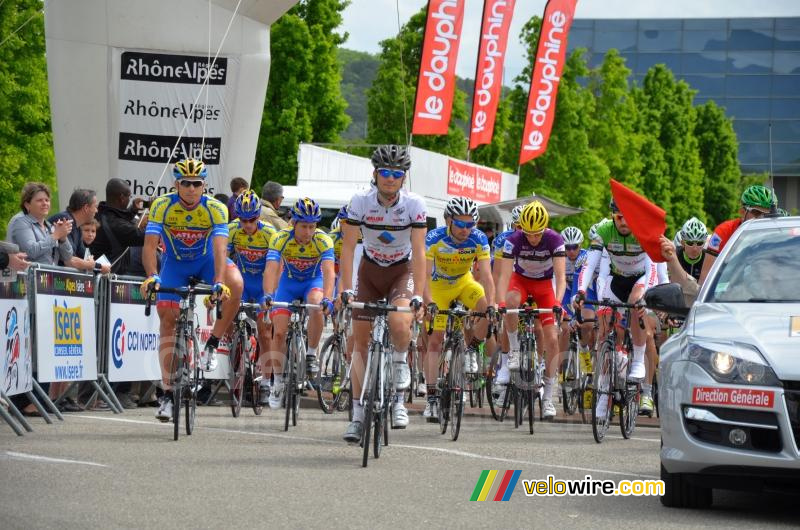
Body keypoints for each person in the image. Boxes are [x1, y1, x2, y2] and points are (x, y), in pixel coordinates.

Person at [139, 158, 243, 422]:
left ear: (204, 185)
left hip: (207, 261)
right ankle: (166, 394)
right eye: (186, 183)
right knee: (167, 319)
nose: (191, 189)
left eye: (197, 184)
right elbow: (150, 246)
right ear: (176, 184)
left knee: (236, 283)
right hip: (175, 263)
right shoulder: (162, 205)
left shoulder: (216, 208)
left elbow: (221, 248)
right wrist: (152, 276)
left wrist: (218, 282)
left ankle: (213, 342)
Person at [339, 144, 426, 442]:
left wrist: (420, 297)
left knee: (400, 323)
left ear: (404, 178)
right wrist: (345, 289)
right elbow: (349, 247)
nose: (390, 179)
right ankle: (358, 414)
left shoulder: (414, 205)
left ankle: (400, 385)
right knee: (360, 345)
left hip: (402, 272)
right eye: (385, 173)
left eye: (396, 174)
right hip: (370, 271)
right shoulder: (360, 202)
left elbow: (419, 251)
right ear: (375, 174)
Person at [575, 199, 658, 418]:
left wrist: (645, 297)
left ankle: (638, 360)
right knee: (604, 332)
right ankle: (603, 394)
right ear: (613, 215)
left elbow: (652, 269)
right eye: (619, 216)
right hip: (616, 279)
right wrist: (581, 291)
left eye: (628, 217)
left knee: (635, 301)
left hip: (641, 278)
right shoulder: (604, 230)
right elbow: (590, 265)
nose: (623, 222)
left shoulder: (643, 230)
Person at [422, 197, 494, 421]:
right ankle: (432, 398)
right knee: (435, 341)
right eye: (460, 224)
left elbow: (487, 276)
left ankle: (472, 349)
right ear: (448, 220)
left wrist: (492, 305)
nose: (465, 229)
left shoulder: (479, 238)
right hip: (438, 287)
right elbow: (423, 275)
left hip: (463, 282)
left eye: (470, 224)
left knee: (484, 307)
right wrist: (428, 301)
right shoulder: (434, 238)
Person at [261, 198, 335, 410]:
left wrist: (328, 299)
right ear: (293, 223)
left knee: (315, 302)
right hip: (288, 283)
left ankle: (311, 354)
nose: (308, 232)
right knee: (279, 332)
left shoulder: (323, 240)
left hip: (313, 282)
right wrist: (268, 294)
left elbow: (330, 272)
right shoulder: (281, 237)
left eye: (312, 226)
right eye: (304, 226)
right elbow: (271, 268)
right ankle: (278, 381)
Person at [495, 201, 566, 420]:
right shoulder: (513, 240)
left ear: (544, 228)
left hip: (545, 286)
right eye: (528, 233)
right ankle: (514, 350)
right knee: (511, 300)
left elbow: (561, 277)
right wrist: (501, 304)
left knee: (552, 340)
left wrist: (558, 303)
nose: (532, 238)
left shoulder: (555, 240)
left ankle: (547, 398)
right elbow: (504, 277)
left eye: (536, 234)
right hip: (521, 281)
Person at [7, 182, 75, 413]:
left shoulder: (47, 226)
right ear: (27, 204)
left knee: (44, 345)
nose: (45, 203)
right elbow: (30, 251)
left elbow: (67, 257)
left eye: (47, 200)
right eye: (39, 200)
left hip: (48, 292)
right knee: (29, 345)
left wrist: (63, 237)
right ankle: (22, 401)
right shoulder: (20, 222)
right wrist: (54, 236)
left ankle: (39, 397)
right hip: (26, 290)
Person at [227, 190, 276, 406]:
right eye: (243, 220)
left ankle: (265, 383)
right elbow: (223, 259)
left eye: (252, 219)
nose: (248, 224)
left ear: (259, 216)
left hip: (262, 284)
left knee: (265, 334)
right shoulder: (232, 231)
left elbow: (277, 266)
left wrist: (271, 293)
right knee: (228, 321)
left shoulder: (270, 233)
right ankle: (237, 353)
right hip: (243, 283)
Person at [698, 185, 776, 286]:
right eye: (757, 212)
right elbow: (705, 275)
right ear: (743, 212)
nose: (762, 218)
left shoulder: (776, 235)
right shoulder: (723, 231)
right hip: (728, 290)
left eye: (767, 214)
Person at [91, 178, 148, 276]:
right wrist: (152, 220)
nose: (130, 199)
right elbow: (147, 237)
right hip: (109, 278)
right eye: (129, 196)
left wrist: (132, 211)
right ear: (121, 197)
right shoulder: (117, 224)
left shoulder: (100, 213)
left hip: (102, 273)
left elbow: (119, 218)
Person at [49, 188, 111, 273]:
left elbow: (83, 256)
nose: (97, 211)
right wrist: (98, 267)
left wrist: (93, 263)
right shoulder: (65, 220)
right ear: (86, 207)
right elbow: (70, 260)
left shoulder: (77, 226)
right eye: (95, 207)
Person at [675, 217, 708, 283]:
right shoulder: (675, 255)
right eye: (690, 243)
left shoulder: (708, 258)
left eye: (699, 243)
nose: (695, 249)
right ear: (683, 243)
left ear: (704, 244)